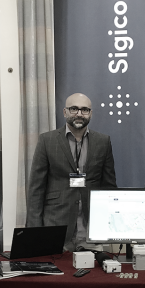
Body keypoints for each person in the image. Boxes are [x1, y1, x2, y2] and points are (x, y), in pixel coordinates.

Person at [26, 93, 117, 251]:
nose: (79, 114)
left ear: (90, 113)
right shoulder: (47, 140)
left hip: (91, 229)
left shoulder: (103, 141)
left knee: (93, 268)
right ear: (65, 112)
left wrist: (110, 226)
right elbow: (36, 189)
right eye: (74, 109)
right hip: (55, 225)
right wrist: (35, 232)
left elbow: (109, 187)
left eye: (84, 110)